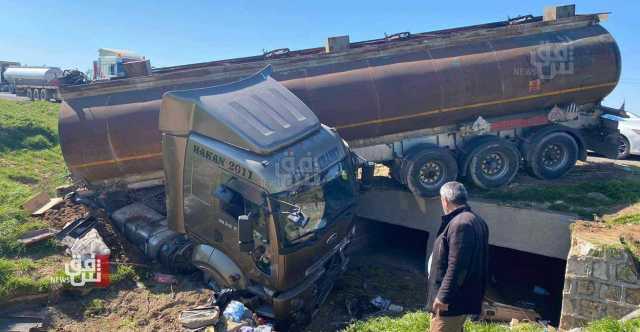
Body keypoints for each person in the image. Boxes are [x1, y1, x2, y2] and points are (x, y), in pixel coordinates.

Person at [426, 181, 489, 332]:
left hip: (452, 303)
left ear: (445, 200)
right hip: (461, 298)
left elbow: (458, 265)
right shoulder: (476, 220)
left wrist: (443, 296)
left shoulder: (461, 224)